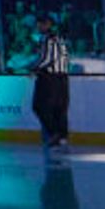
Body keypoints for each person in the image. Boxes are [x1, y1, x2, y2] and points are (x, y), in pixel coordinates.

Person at [29, 28, 75, 157]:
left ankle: (55, 134)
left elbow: (47, 59)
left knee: (39, 106)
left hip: (49, 78)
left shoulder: (48, 39)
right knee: (59, 108)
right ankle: (61, 137)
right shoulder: (61, 40)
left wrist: (33, 69)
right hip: (62, 77)